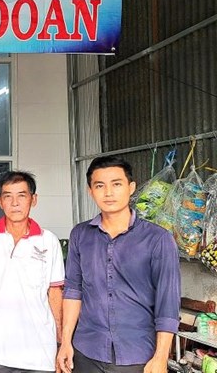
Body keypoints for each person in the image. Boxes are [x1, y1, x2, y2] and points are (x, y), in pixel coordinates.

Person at [57, 156, 181, 373]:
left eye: (116, 184)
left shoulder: (158, 239)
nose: (108, 192)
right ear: (90, 191)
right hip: (87, 352)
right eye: (99, 185)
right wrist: (65, 342)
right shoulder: (80, 234)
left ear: (131, 187)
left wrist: (161, 356)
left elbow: (168, 301)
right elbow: (73, 290)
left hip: (137, 355)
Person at [0, 171, 64, 373]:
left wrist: (60, 341)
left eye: (21, 196)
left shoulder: (49, 241)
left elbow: (55, 293)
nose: (15, 203)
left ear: (34, 199)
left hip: (40, 352)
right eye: (8, 196)